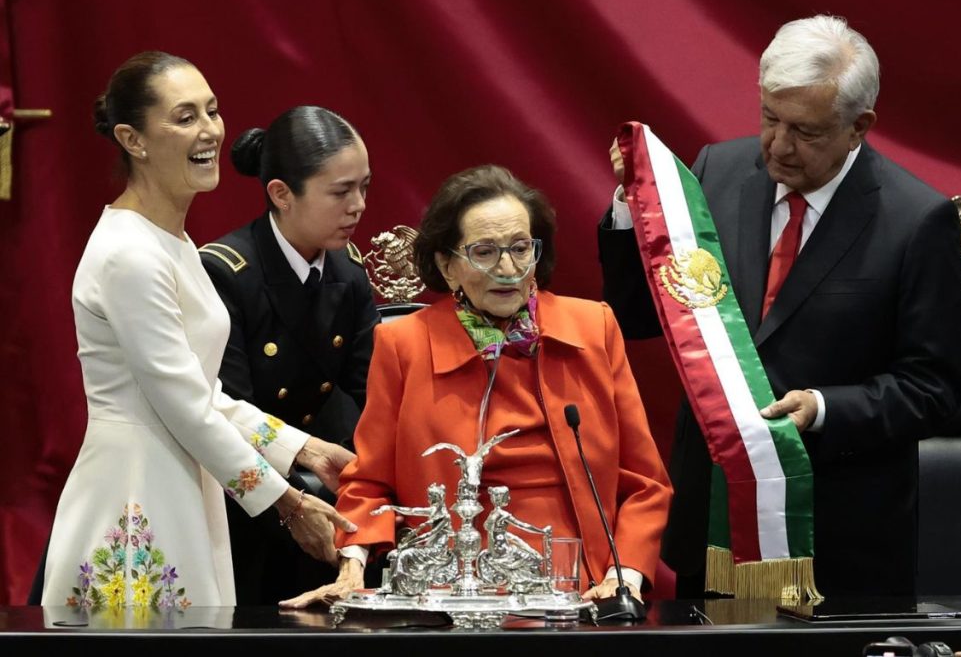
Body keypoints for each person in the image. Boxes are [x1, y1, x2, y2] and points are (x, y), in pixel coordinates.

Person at [599, 15, 961, 598]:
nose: (778, 145)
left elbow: (932, 389)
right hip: (713, 527)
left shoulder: (918, 221)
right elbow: (644, 319)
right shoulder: (715, 172)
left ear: (859, 127)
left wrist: (823, 408)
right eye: (770, 118)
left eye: (807, 131)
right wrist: (630, 208)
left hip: (837, 538)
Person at [39, 51, 355, 609]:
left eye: (211, 111)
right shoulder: (129, 253)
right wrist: (288, 502)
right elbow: (185, 406)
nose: (210, 130)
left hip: (186, 479)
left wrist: (303, 449)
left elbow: (204, 392)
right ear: (132, 140)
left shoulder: (172, 240)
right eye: (185, 117)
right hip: (136, 493)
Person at [280, 165, 672, 608]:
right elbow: (369, 483)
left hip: (582, 582)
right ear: (448, 267)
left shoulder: (592, 327)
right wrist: (352, 567)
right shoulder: (403, 344)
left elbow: (644, 482)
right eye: (484, 252)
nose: (508, 269)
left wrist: (627, 576)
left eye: (521, 248)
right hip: (453, 588)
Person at [199, 106, 379, 605]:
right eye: (341, 191)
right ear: (281, 193)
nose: (359, 205)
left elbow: (365, 395)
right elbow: (225, 411)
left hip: (327, 480)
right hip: (247, 493)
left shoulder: (348, 271)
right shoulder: (226, 272)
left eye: (364, 186)